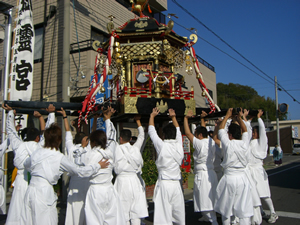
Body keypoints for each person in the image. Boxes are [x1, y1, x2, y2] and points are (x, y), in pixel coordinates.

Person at [20, 122, 109, 225]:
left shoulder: (36, 153)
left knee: (28, 220)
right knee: (46, 220)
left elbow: (26, 164)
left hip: (31, 189)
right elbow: (79, 171)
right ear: (59, 140)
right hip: (44, 191)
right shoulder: (58, 157)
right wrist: (97, 165)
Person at [3, 103, 55, 225]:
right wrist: (51, 114)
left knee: (18, 208)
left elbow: (10, 131)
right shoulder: (39, 146)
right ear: (37, 137)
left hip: (21, 181)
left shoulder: (18, 145)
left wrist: (10, 114)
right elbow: (47, 132)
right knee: (35, 211)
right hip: (35, 181)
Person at [84, 106, 126, 225]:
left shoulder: (89, 155)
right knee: (111, 219)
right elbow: (112, 135)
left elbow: (82, 171)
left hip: (95, 191)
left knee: (94, 220)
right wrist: (107, 119)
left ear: (93, 142)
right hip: (109, 189)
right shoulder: (110, 150)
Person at [214, 108, 253, 225]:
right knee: (244, 210)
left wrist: (227, 116)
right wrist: (239, 118)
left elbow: (221, 129)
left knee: (226, 210)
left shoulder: (227, 144)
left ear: (229, 135)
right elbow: (245, 130)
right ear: (239, 134)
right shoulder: (245, 143)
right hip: (242, 179)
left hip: (229, 178)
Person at [148, 107, 185, 225]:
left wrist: (152, 116)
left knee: (163, 216)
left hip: (165, 184)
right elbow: (178, 130)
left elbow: (152, 132)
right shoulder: (179, 145)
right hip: (176, 185)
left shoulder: (162, 146)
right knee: (178, 214)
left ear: (163, 135)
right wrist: (173, 117)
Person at [184, 110, 218, 225]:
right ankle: (206, 216)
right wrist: (202, 120)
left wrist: (186, 118)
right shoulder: (210, 141)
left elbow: (188, 134)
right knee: (211, 196)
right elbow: (203, 132)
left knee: (204, 199)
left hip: (203, 174)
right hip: (211, 173)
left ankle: (213, 221)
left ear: (199, 135)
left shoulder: (199, 143)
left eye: (196, 133)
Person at [244, 109, 278, 223]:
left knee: (264, 193)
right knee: (253, 193)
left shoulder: (262, 143)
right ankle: (261, 211)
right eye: (252, 132)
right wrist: (248, 120)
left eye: (255, 132)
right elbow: (246, 132)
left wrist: (259, 118)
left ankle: (273, 212)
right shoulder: (250, 142)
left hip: (258, 170)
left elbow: (263, 131)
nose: (253, 134)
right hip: (249, 170)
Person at [113, 114, 148, 225]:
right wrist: (138, 121)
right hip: (134, 181)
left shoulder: (116, 148)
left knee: (123, 211)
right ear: (131, 139)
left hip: (122, 182)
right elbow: (142, 135)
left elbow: (110, 136)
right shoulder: (135, 148)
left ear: (120, 138)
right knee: (136, 211)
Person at [58, 108, 90, 225]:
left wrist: (65, 117)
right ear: (85, 140)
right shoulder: (88, 149)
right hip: (86, 182)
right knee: (86, 207)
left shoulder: (71, 148)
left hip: (74, 182)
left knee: (74, 209)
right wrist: (85, 122)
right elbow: (87, 135)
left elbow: (67, 132)